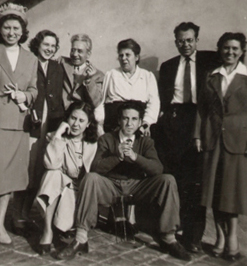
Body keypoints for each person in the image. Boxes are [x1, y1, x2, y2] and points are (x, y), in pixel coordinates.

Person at [57, 100, 191, 262]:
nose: (129, 123)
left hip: (137, 187)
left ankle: (169, 238)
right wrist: (117, 157)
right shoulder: (107, 139)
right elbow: (96, 167)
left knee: (168, 180)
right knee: (90, 178)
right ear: (119, 121)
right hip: (111, 186)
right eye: (125, 118)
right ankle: (80, 238)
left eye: (134, 119)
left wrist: (136, 158)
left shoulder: (145, 142)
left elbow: (158, 169)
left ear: (140, 122)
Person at [154, 22, 220, 252]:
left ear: (197, 40)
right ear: (176, 42)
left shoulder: (210, 61)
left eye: (189, 40)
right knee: (176, 178)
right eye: (181, 41)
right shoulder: (168, 66)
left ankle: (193, 238)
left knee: (196, 181)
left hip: (199, 121)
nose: (185, 45)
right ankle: (173, 230)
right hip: (174, 122)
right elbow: (162, 99)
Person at [195, 32, 247, 261]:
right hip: (212, 137)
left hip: (238, 140)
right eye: (226, 48)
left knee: (231, 191)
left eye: (235, 48)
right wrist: (197, 136)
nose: (230, 52)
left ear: (242, 50)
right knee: (213, 191)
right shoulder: (211, 76)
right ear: (220, 49)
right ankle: (220, 237)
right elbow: (202, 109)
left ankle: (233, 237)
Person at [36, 102, 98, 255]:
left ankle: (71, 229)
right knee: (52, 174)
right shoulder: (55, 136)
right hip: (59, 186)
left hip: (78, 193)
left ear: (88, 123)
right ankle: (47, 231)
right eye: (73, 118)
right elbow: (50, 164)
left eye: (81, 121)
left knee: (65, 220)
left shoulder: (93, 143)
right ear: (67, 118)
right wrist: (58, 136)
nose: (76, 124)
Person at [16, 30, 65, 222]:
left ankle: (27, 214)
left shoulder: (57, 66)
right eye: (46, 45)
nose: (49, 49)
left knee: (40, 172)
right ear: (37, 45)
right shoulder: (27, 62)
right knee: (26, 169)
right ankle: (18, 216)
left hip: (51, 122)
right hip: (31, 123)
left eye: (53, 46)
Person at [0, 3, 38, 244]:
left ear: (23, 31)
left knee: (10, 178)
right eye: (6, 27)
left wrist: (25, 96)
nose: (11, 32)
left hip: (18, 123)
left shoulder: (30, 58)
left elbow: (34, 89)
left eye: (16, 28)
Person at [101, 38, 160, 136]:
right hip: (113, 125)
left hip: (139, 127)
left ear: (136, 57)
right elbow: (101, 102)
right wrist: (100, 124)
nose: (123, 58)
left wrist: (146, 122)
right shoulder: (111, 74)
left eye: (127, 55)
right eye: (121, 55)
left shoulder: (147, 76)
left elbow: (154, 103)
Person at [60, 33, 104, 111]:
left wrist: (89, 80)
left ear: (88, 54)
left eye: (79, 51)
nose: (75, 54)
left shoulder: (98, 75)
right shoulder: (62, 63)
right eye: (72, 50)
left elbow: (96, 102)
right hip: (61, 114)